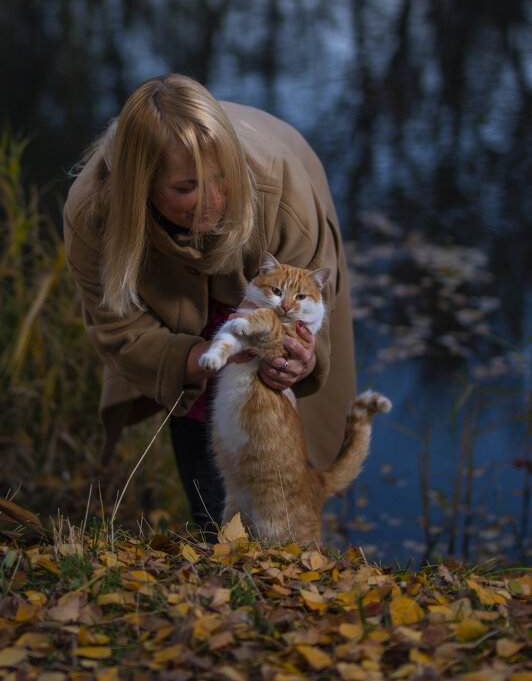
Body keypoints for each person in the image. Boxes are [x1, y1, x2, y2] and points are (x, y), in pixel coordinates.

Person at [63, 73, 356, 537]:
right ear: (139, 186)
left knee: (288, 474)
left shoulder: (283, 189)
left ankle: (295, 550)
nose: (215, 202)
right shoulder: (92, 213)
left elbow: (311, 302)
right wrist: (193, 359)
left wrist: (299, 357)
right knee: (211, 469)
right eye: (187, 188)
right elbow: (121, 330)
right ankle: (214, 536)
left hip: (273, 254)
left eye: (222, 179)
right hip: (185, 327)